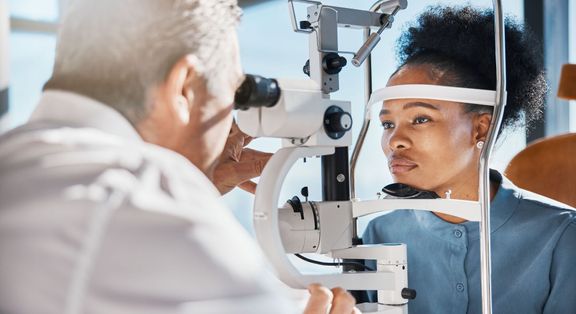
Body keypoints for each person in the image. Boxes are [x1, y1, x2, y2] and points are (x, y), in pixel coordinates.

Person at [0, 1, 358, 313]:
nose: (229, 126)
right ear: (184, 86)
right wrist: (179, 192)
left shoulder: (17, 160)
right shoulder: (147, 195)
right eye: (231, 96)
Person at [361, 6, 576, 314]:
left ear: (480, 127)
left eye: (420, 118)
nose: (395, 140)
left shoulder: (563, 236)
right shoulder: (380, 235)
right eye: (387, 124)